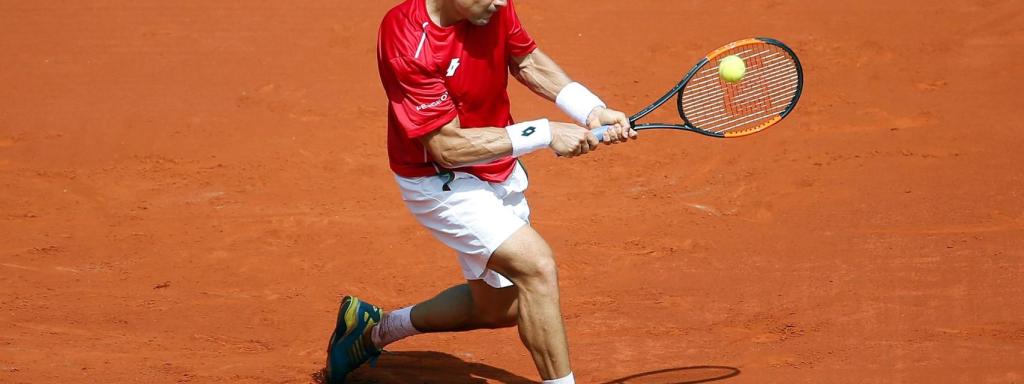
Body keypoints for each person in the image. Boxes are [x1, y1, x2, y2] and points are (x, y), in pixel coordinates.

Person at [326, 0, 637, 383]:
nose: (501, 2)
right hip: (440, 179)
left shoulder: (491, 7)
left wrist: (589, 109)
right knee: (536, 267)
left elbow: (526, 59)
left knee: (499, 309)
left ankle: (373, 330)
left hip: (497, 167)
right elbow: (446, 147)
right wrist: (544, 133)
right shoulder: (406, 36)